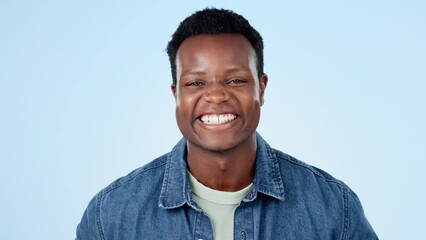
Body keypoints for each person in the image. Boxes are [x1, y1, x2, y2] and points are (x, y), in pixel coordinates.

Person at [76, 8, 378, 240]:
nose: (217, 95)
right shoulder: (112, 216)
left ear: (261, 89)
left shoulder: (334, 209)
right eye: (195, 82)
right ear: (176, 94)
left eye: (236, 80)